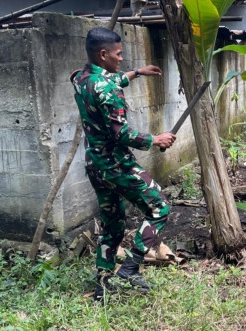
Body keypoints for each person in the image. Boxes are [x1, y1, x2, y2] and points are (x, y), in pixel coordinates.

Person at [71, 27, 176, 299]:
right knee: (160, 207)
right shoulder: (108, 89)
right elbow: (122, 134)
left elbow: (112, 80)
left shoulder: (80, 79)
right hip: (117, 166)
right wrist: (156, 139)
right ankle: (130, 269)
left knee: (113, 224)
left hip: (95, 165)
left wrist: (138, 73)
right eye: (118, 55)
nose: (121, 59)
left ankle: (103, 284)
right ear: (103, 54)